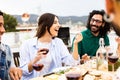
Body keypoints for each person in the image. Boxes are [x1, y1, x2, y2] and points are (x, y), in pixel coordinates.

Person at [19, 13, 78, 80]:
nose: (59, 25)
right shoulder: (27, 45)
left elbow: (72, 62)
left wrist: (75, 44)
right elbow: (23, 72)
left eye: (58, 22)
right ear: (46, 26)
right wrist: (35, 60)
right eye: (55, 22)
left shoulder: (58, 43)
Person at [0, 10, 22, 80]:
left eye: (2, 25)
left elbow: (12, 68)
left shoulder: (6, 50)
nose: (3, 30)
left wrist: (13, 71)